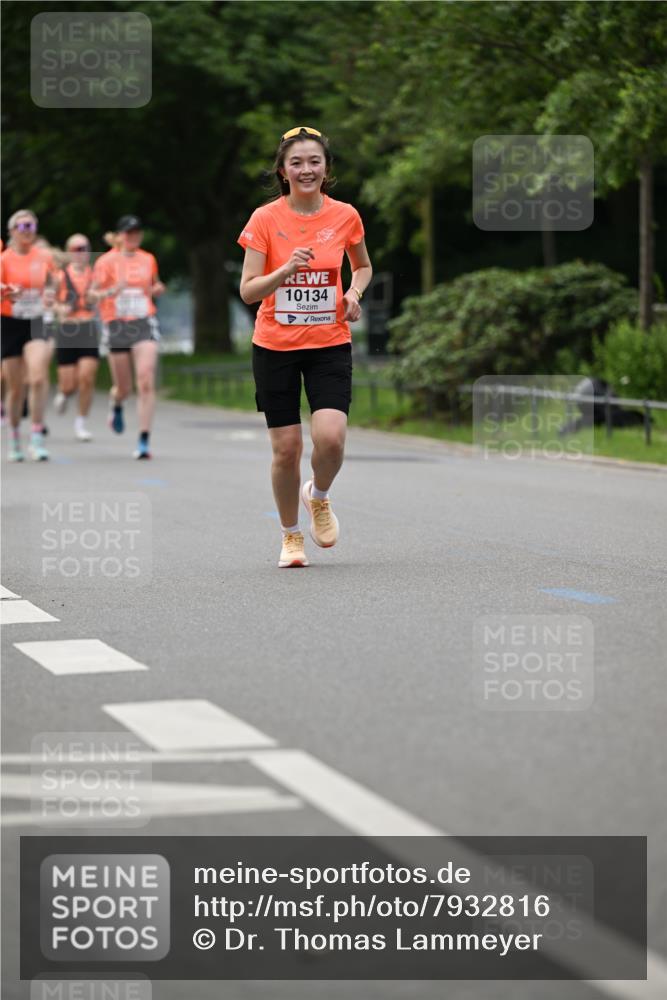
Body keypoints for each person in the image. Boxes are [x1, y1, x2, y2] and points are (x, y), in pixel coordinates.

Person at [238, 126, 372, 567]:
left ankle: (319, 495)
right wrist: (285, 271)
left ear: (326, 168)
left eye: (314, 161)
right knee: (287, 449)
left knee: (330, 439)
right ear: (283, 170)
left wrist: (353, 295)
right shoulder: (265, 219)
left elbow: (364, 267)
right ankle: (290, 536)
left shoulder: (345, 216)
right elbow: (248, 291)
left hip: (329, 343)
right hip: (274, 344)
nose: (306, 169)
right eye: (296, 162)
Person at [91, 216, 165, 459]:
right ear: (119, 235)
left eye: (137, 232)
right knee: (124, 387)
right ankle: (117, 403)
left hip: (144, 322)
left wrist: (157, 289)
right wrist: (113, 290)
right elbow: (92, 295)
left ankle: (144, 439)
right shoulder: (105, 261)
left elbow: (155, 285)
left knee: (145, 379)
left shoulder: (148, 259)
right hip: (116, 324)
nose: (133, 236)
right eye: (128, 232)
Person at [1, 210, 57, 461]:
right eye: (22, 226)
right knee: (15, 387)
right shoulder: (4, 260)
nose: (27, 230)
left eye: (32, 225)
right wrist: (6, 292)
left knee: (37, 377)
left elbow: (55, 282)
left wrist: (51, 294)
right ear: (12, 231)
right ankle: (14, 437)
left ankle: (36, 436)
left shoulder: (44, 256)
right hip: (10, 321)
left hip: (36, 320)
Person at [52, 234, 100, 441]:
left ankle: (81, 422)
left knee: (87, 378)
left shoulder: (95, 275)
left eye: (85, 248)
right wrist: (59, 308)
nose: (82, 253)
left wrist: (98, 297)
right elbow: (48, 300)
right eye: (77, 249)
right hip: (66, 330)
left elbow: (104, 295)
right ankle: (63, 393)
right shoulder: (59, 276)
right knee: (68, 384)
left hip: (87, 328)